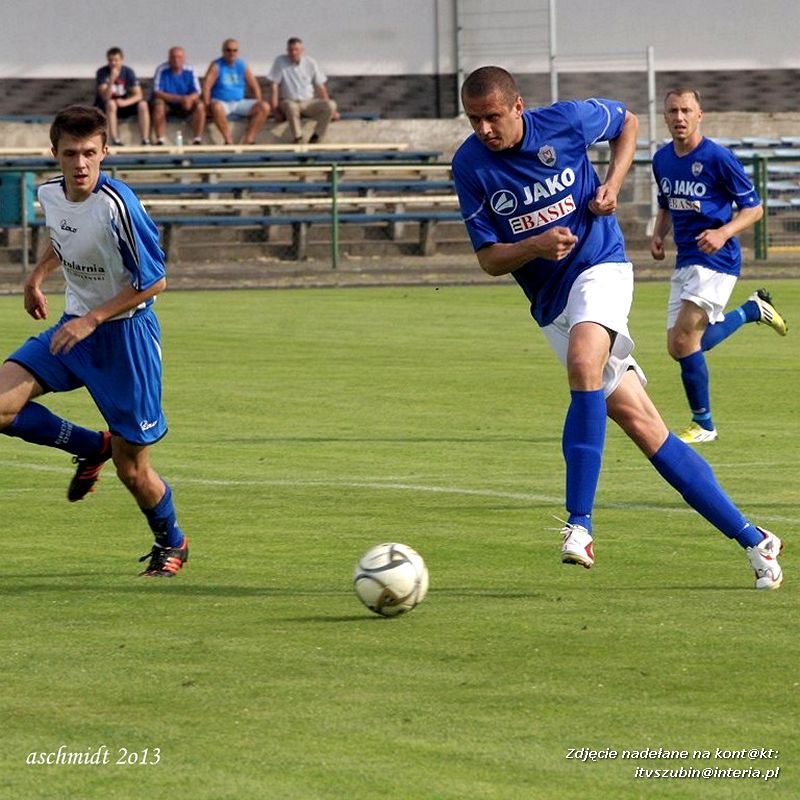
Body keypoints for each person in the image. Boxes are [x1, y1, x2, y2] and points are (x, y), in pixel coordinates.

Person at [451, 66, 783, 589]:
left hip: (600, 265)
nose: (484, 129)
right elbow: (490, 259)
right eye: (474, 120)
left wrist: (612, 183)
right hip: (550, 303)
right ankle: (754, 539)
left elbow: (627, 121)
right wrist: (534, 246)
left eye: (492, 117)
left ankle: (579, 525)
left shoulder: (566, 121)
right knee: (646, 427)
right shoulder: (469, 164)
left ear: (517, 106)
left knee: (584, 361)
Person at [0, 105, 188, 578]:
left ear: (105, 151)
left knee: (133, 470)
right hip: (75, 330)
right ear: (55, 153)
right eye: (71, 153)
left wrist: (94, 318)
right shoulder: (49, 193)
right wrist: (36, 277)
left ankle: (172, 541)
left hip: (127, 339)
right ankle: (90, 445)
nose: (80, 163)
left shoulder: (118, 204)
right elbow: (63, 238)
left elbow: (155, 280)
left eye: (89, 153)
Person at [650, 88, 788, 444]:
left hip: (718, 259)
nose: (679, 117)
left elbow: (754, 209)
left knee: (685, 340)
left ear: (700, 115)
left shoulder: (718, 157)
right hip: (686, 258)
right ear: (665, 116)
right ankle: (752, 310)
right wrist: (658, 234)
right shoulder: (661, 159)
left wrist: (723, 232)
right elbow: (666, 203)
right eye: (673, 111)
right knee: (679, 346)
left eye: (686, 110)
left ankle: (704, 424)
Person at [268, 37, 339, 144]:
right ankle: (298, 138)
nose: (293, 53)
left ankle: (317, 136)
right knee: (291, 107)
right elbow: (274, 86)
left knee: (331, 105)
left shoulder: (310, 62)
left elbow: (320, 86)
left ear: (302, 50)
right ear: (287, 50)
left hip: (308, 102)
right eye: (290, 50)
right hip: (289, 100)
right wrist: (275, 111)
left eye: (296, 50)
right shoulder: (280, 61)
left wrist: (331, 111)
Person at [202, 38, 270, 145]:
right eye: (228, 50)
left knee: (264, 107)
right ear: (223, 51)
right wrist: (207, 106)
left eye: (235, 50)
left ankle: (249, 139)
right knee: (216, 107)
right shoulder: (216, 66)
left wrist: (258, 101)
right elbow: (206, 86)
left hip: (239, 103)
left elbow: (254, 85)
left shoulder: (242, 65)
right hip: (222, 103)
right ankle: (228, 140)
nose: (231, 53)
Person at [150, 46, 206, 145]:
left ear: (184, 58)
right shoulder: (161, 69)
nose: (176, 60)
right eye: (173, 57)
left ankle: (197, 139)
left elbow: (197, 91)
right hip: (168, 102)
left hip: (186, 102)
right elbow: (157, 91)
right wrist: (179, 99)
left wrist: (189, 99)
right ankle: (160, 139)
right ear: (169, 58)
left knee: (200, 106)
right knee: (158, 104)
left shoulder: (190, 70)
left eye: (179, 57)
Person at [94, 47, 150, 146]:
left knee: (143, 105)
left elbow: (139, 95)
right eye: (111, 60)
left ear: (122, 60)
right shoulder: (102, 73)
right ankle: (115, 139)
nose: (113, 63)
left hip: (123, 104)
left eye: (116, 60)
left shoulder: (128, 72)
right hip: (107, 107)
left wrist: (125, 102)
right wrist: (111, 79)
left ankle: (145, 139)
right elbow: (105, 97)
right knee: (111, 103)